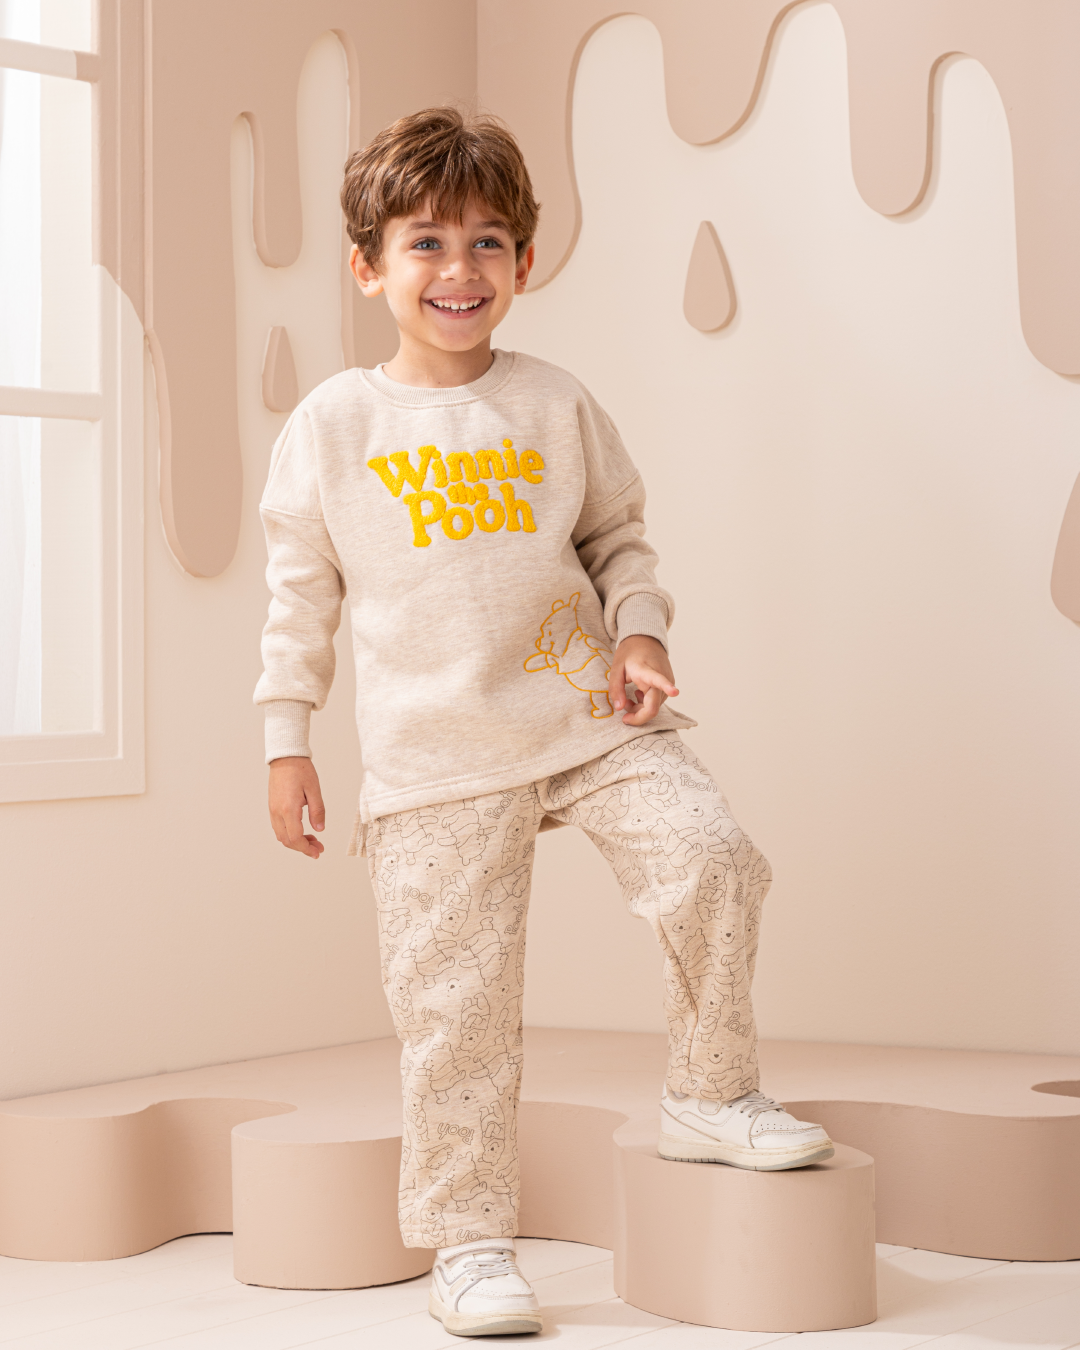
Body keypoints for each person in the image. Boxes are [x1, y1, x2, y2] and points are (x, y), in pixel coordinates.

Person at [254, 106, 832, 1339]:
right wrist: (286, 739)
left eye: (487, 242)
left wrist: (641, 633)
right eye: (425, 243)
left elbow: (618, 539)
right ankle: (468, 1241)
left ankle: (710, 1091)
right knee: (454, 1009)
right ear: (368, 267)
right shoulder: (333, 428)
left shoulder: (556, 403)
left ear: (523, 261)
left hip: (585, 715)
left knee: (714, 858)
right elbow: (298, 602)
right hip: (434, 758)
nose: (458, 269)